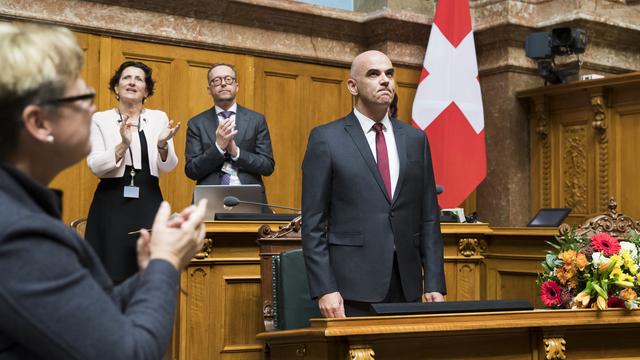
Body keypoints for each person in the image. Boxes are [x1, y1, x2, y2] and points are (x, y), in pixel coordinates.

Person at [0, 22, 207, 359]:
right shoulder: (21, 236)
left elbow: (87, 315)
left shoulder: (25, 216)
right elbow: (126, 353)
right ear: (38, 123)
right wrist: (166, 262)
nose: (91, 109)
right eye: (81, 98)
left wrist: (147, 272)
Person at [301, 50, 446, 318]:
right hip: (350, 289)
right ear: (352, 86)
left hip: (408, 284)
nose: (385, 80)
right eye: (374, 74)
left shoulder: (415, 139)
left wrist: (435, 280)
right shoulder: (326, 139)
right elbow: (313, 224)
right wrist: (325, 288)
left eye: (389, 74)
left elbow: (428, 216)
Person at [85, 61, 180, 282]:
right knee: (110, 269)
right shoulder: (100, 119)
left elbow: (169, 166)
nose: (132, 82)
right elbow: (95, 165)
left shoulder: (159, 118)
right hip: (111, 202)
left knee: (147, 269)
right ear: (116, 88)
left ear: (146, 91)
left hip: (148, 199)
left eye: (139, 79)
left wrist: (163, 145)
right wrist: (122, 145)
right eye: (126, 78)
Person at [185, 63, 274, 206]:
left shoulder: (256, 120)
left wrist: (236, 152)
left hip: (250, 198)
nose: (223, 84)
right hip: (209, 199)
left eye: (228, 79)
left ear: (236, 86)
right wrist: (218, 148)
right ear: (209, 89)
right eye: (217, 80)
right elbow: (191, 170)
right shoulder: (196, 123)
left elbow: (267, 166)